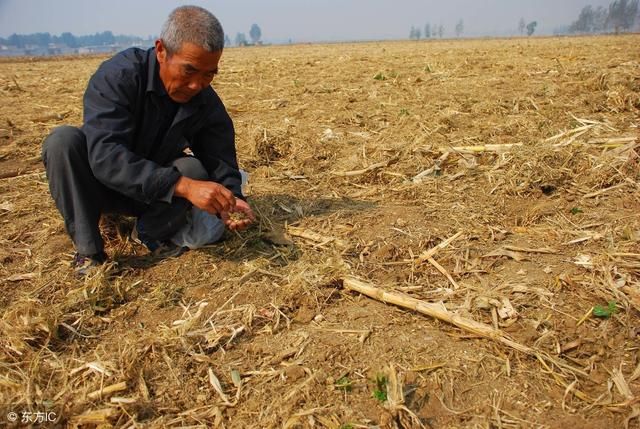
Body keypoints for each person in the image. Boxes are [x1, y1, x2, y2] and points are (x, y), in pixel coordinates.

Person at [41, 5, 255, 276]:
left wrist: (232, 198)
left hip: (154, 197)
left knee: (194, 170)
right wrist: (183, 186)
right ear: (161, 50)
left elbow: (219, 155)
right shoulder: (120, 77)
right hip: (99, 185)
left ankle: (148, 233)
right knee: (62, 141)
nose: (197, 84)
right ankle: (89, 252)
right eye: (190, 71)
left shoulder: (204, 100)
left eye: (209, 74)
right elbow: (106, 156)